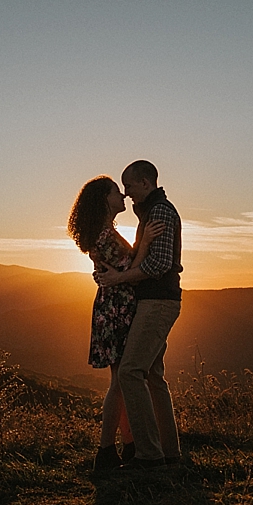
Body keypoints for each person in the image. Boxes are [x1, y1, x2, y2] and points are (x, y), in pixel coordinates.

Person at [67, 175, 164, 472]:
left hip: (115, 307)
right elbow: (129, 269)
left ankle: (127, 444)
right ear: (103, 200)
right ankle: (106, 450)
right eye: (115, 192)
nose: (122, 195)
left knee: (121, 381)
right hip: (116, 308)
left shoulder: (104, 231)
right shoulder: (103, 235)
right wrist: (145, 242)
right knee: (120, 382)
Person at [96, 160, 183, 469]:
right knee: (154, 377)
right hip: (155, 301)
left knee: (131, 372)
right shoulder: (150, 211)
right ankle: (169, 453)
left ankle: (149, 455)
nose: (126, 192)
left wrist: (118, 278)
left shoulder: (158, 211)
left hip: (156, 301)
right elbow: (139, 257)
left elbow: (158, 265)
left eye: (129, 185)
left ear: (145, 183)